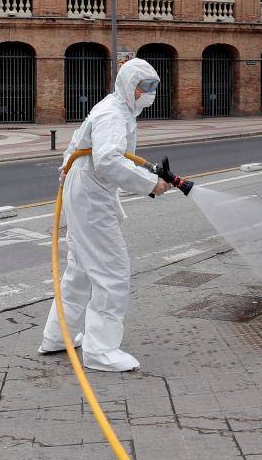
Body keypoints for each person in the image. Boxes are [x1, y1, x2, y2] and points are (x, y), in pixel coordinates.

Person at [38, 57, 170, 371]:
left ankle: (58, 337)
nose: (149, 93)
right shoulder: (113, 113)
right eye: (144, 86)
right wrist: (151, 184)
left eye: (153, 87)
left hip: (86, 191)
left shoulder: (119, 108)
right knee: (112, 271)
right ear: (129, 85)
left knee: (81, 271)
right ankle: (101, 351)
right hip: (90, 196)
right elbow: (109, 160)